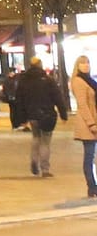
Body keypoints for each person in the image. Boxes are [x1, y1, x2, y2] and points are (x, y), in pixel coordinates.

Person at [16, 56, 68, 177]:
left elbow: (20, 100)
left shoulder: (24, 80)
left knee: (35, 138)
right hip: (47, 114)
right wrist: (63, 114)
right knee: (45, 141)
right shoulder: (48, 80)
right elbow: (57, 97)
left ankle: (34, 160)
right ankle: (45, 168)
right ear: (40, 65)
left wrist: (22, 119)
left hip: (32, 115)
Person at [69, 55, 97, 199]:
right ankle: (92, 187)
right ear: (77, 66)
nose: (85, 65)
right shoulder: (79, 81)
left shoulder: (89, 80)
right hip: (88, 123)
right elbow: (83, 105)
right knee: (89, 156)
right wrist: (91, 123)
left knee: (91, 156)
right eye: (82, 63)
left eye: (87, 62)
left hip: (93, 120)